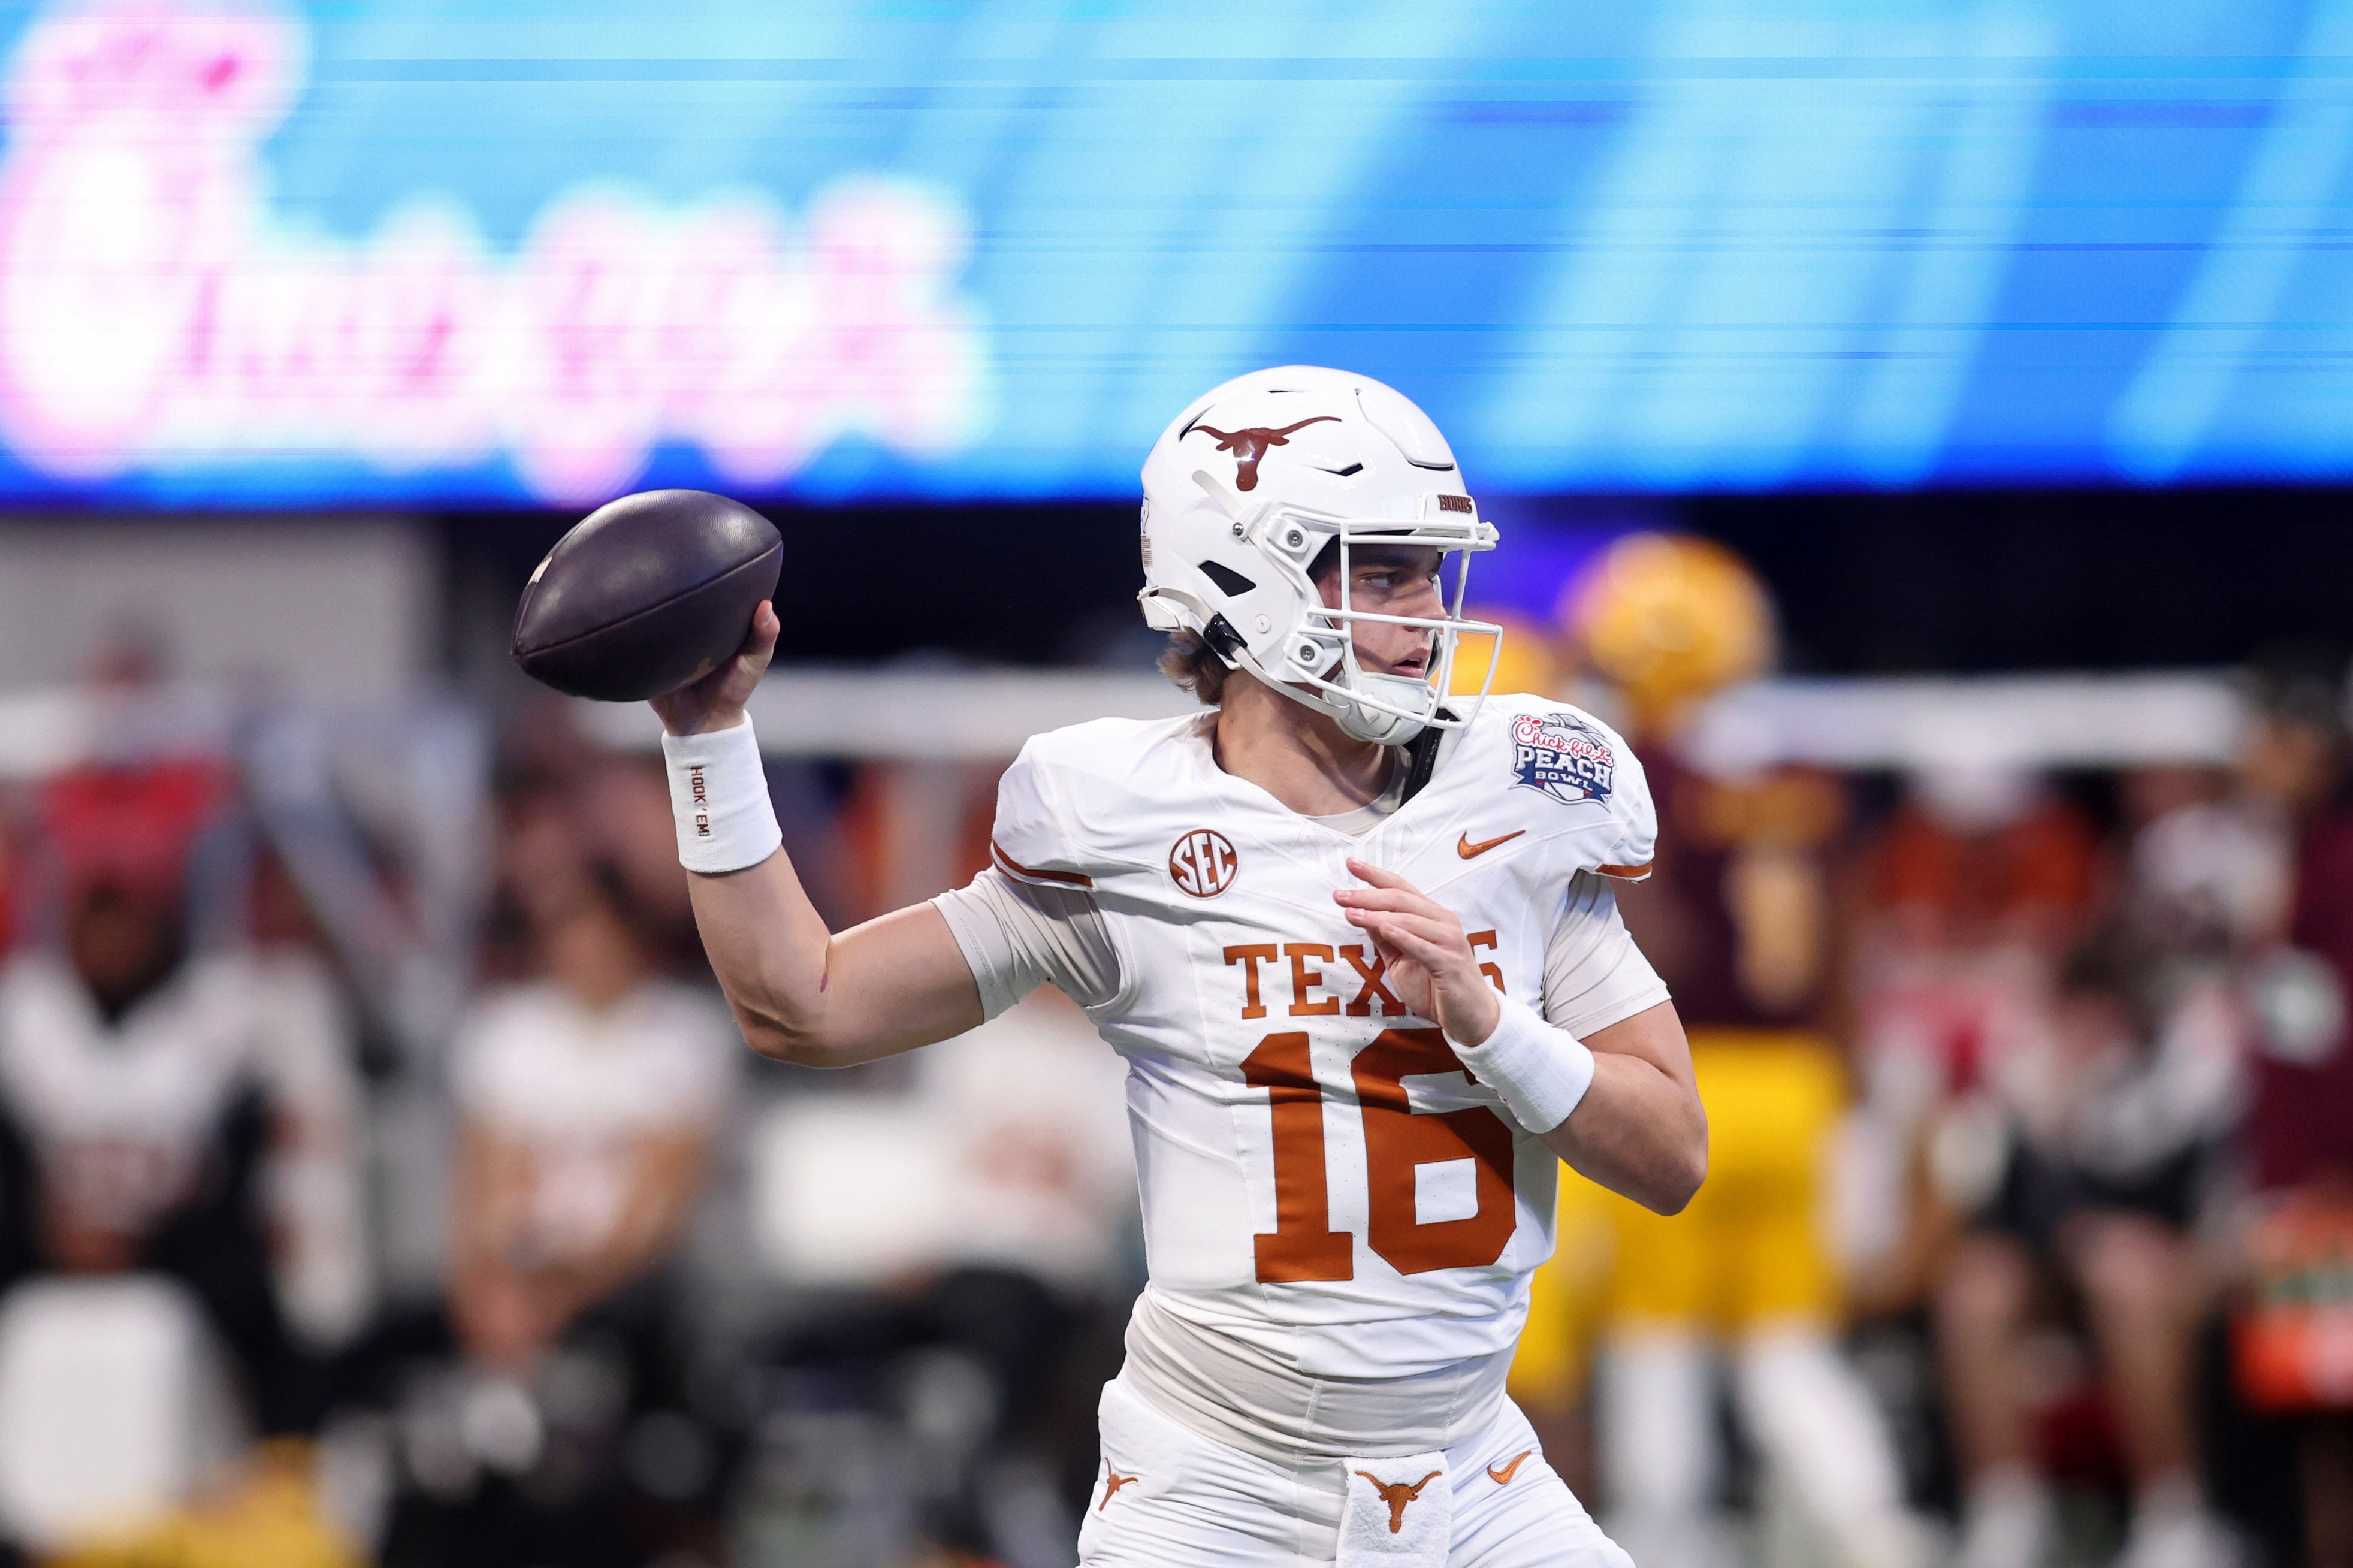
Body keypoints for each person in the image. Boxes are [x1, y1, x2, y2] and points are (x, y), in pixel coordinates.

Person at [651, 366, 1705, 1567]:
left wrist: (1490, 1026)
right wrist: (708, 740)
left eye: (1429, 569)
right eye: (1384, 569)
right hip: (1221, 1495)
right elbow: (805, 1002)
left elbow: (1670, 1153)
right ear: (1245, 576)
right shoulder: (1119, 824)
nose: (1426, 612)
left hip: (1474, 1474)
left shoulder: (1520, 799)